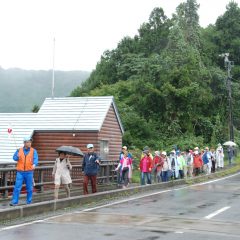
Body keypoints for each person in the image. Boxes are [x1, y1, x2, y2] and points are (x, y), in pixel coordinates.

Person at [10, 136, 38, 206]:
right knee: (17, 187)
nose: (29, 143)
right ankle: (14, 202)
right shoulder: (19, 150)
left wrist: (34, 164)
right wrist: (17, 156)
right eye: (28, 142)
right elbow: (14, 158)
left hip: (29, 172)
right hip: (20, 172)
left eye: (30, 142)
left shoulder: (33, 151)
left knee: (30, 187)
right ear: (24, 143)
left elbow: (35, 159)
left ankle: (29, 201)